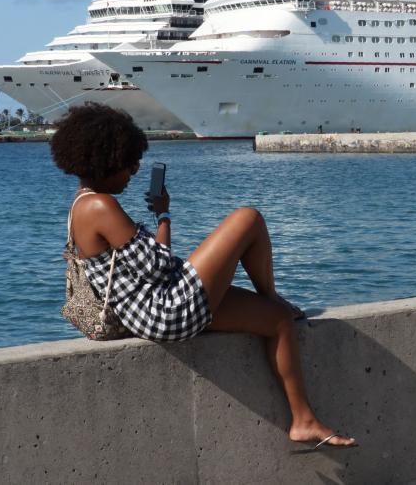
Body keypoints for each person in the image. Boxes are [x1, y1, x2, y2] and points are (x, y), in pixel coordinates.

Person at [50, 103, 354, 449]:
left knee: (279, 321)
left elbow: (151, 264)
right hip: (162, 312)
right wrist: (164, 218)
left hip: (152, 310)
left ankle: (304, 421)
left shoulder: (82, 203)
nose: (134, 170)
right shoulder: (100, 206)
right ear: (105, 160)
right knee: (247, 218)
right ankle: (272, 294)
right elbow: (160, 267)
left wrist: (162, 216)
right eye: (129, 162)